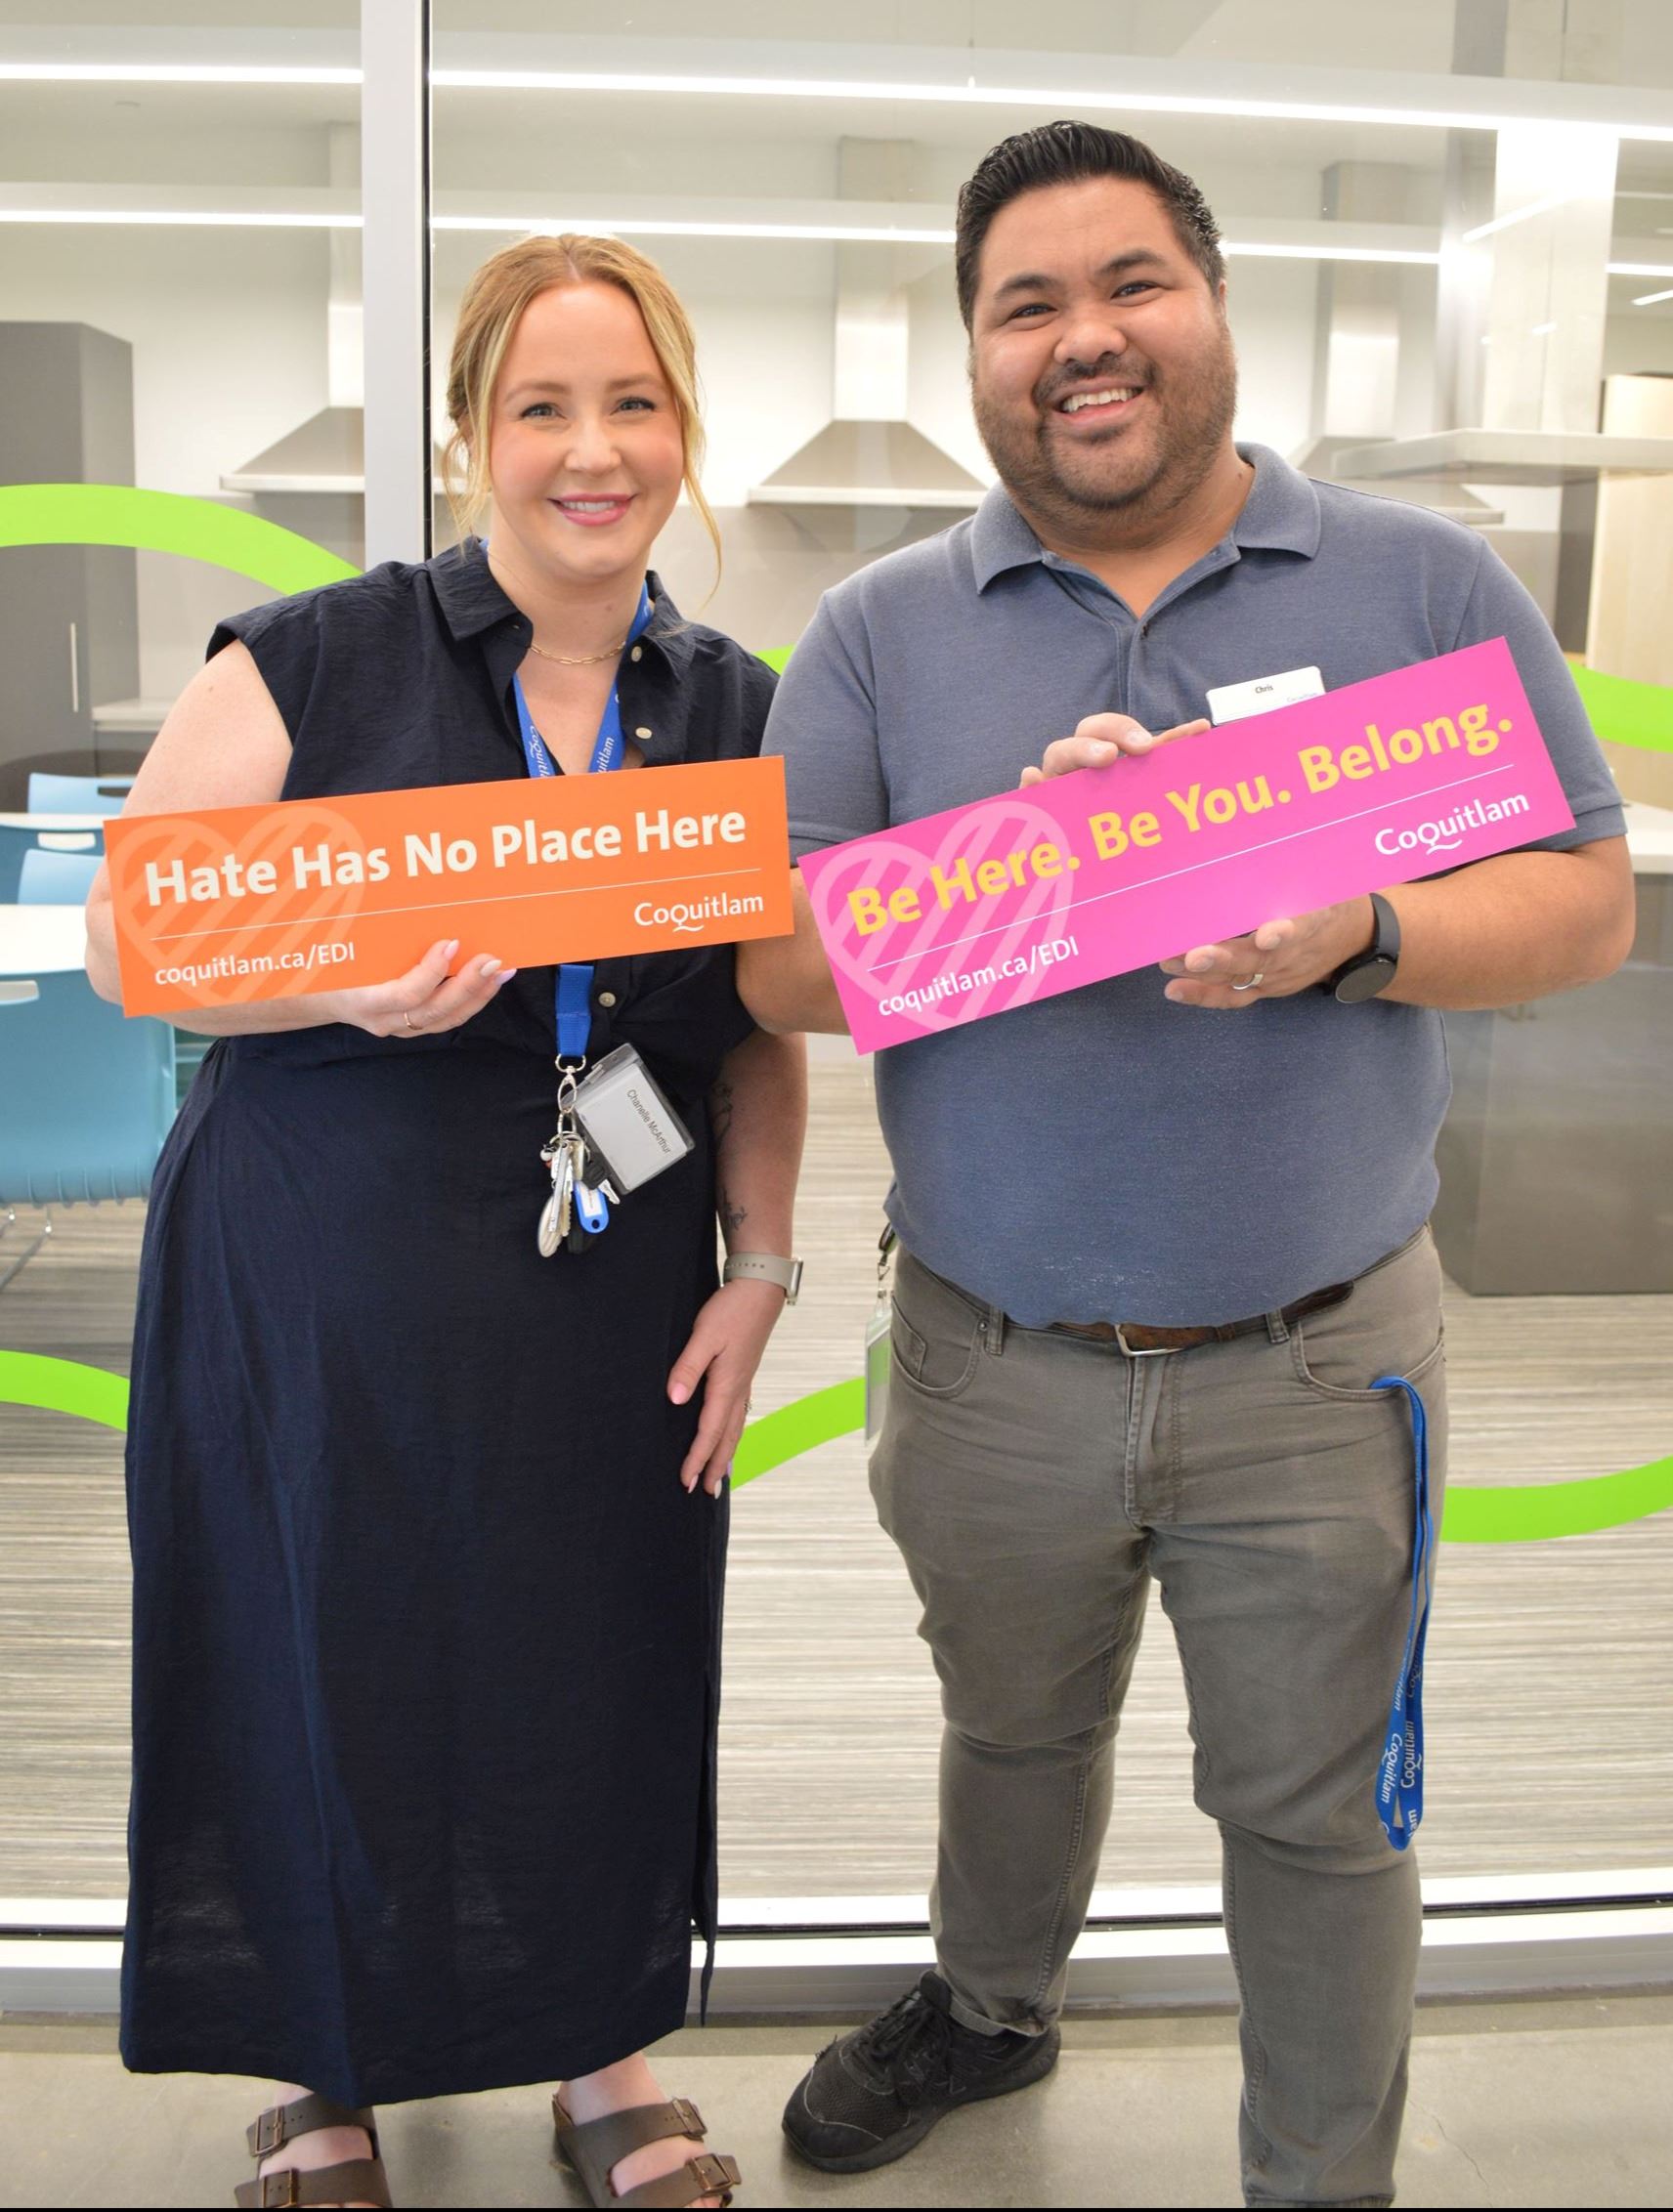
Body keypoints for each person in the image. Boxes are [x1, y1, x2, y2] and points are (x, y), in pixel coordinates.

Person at [739, 121, 1634, 2209]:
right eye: (1024, 303)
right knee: (1012, 1731)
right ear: (976, 353)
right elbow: (782, 962)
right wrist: (1029, 874)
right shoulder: (878, 631)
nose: (1082, 338)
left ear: (1212, 306)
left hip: (1318, 1365)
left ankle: (1320, 2180)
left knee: (1318, 1816)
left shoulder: (1419, 584)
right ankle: (986, 1998)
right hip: (988, 1357)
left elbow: (1582, 902)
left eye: (1128, 282)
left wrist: (1357, 924)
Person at [85, 233, 806, 2212]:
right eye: (543, 408)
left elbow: (744, 1028)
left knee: (599, 1650)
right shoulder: (320, 652)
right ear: (472, 435)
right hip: (315, 1267)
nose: (593, 451)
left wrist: (760, 1270)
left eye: (632, 403)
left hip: (606, 1282)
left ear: (682, 432)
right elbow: (134, 934)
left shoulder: (735, 706)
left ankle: (598, 2040)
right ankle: (322, 2069)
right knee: (323, 1639)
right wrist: (333, 971)